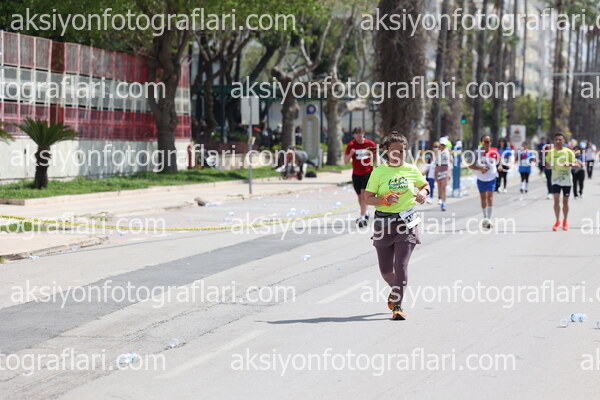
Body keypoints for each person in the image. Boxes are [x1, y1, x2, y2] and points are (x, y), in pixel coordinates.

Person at [365, 132, 429, 320]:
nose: (398, 155)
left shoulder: (411, 170)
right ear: (387, 151)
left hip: (407, 222)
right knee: (386, 271)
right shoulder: (379, 172)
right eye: (394, 151)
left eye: (401, 151)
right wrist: (383, 199)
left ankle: (398, 306)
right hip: (383, 224)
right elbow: (368, 198)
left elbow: (425, 185)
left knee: (401, 265)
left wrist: (423, 193)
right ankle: (396, 290)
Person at [345, 127, 378, 227]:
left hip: (367, 172)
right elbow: (345, 161)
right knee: (360, 196)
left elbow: (376, 155)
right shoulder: (351, 145)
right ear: (354, 135)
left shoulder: (370, 144)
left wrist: (378, 165)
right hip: (356, 174)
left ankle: (362, 217)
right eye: (357, 136)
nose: (359, 138)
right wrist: (351, 154)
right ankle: (365, 212)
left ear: (363, 134)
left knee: (364, 195)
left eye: (361, 136)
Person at [546, 133, 579, 231]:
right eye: (556, 139)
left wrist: (569, 164)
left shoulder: (569, 152)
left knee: (565, 202)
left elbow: (577, 165)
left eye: (560, 139)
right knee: (556, 200)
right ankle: (557, 221)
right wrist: (548, 165)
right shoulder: (551, 152)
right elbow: (547, 165)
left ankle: (565, 221)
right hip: (555, 180)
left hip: (567, 180)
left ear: (564, 141)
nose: (558, 141)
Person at [469, 135, 502, 229]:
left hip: (492, 178)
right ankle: (485, 217)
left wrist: (500, 165)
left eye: (488, 141)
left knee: (490, 198)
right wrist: (480, 169)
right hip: (481, 179)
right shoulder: (477, 152)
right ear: (482, 142)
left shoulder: (494, 151)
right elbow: (470, 165)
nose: (486, 143)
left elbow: (499, 160)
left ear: (491, 142)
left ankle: (489, 220)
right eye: (484, 141)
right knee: (483, 198)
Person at [435, 137, 452, 211]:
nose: (442, 146)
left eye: (444, 145)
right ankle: (441, 199)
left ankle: (444, 203)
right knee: (439, 187)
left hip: (445, 169)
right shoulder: (437, 151)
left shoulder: (448, 151)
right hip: (438, 169)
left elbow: (451, 161)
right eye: (441, 144)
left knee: (444, 187)